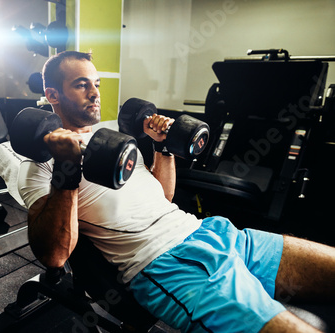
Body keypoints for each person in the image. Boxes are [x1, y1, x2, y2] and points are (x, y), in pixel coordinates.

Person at [17, 51, 335, 333]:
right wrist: (67, 167)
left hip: (213, 233)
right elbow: (54, 256)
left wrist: (162, 146)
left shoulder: (111, 137)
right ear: (52, 94)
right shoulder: (40, 165)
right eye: (81, 84)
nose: (95, 93)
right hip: (166, 265)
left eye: (96, 83)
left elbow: (163, 197)